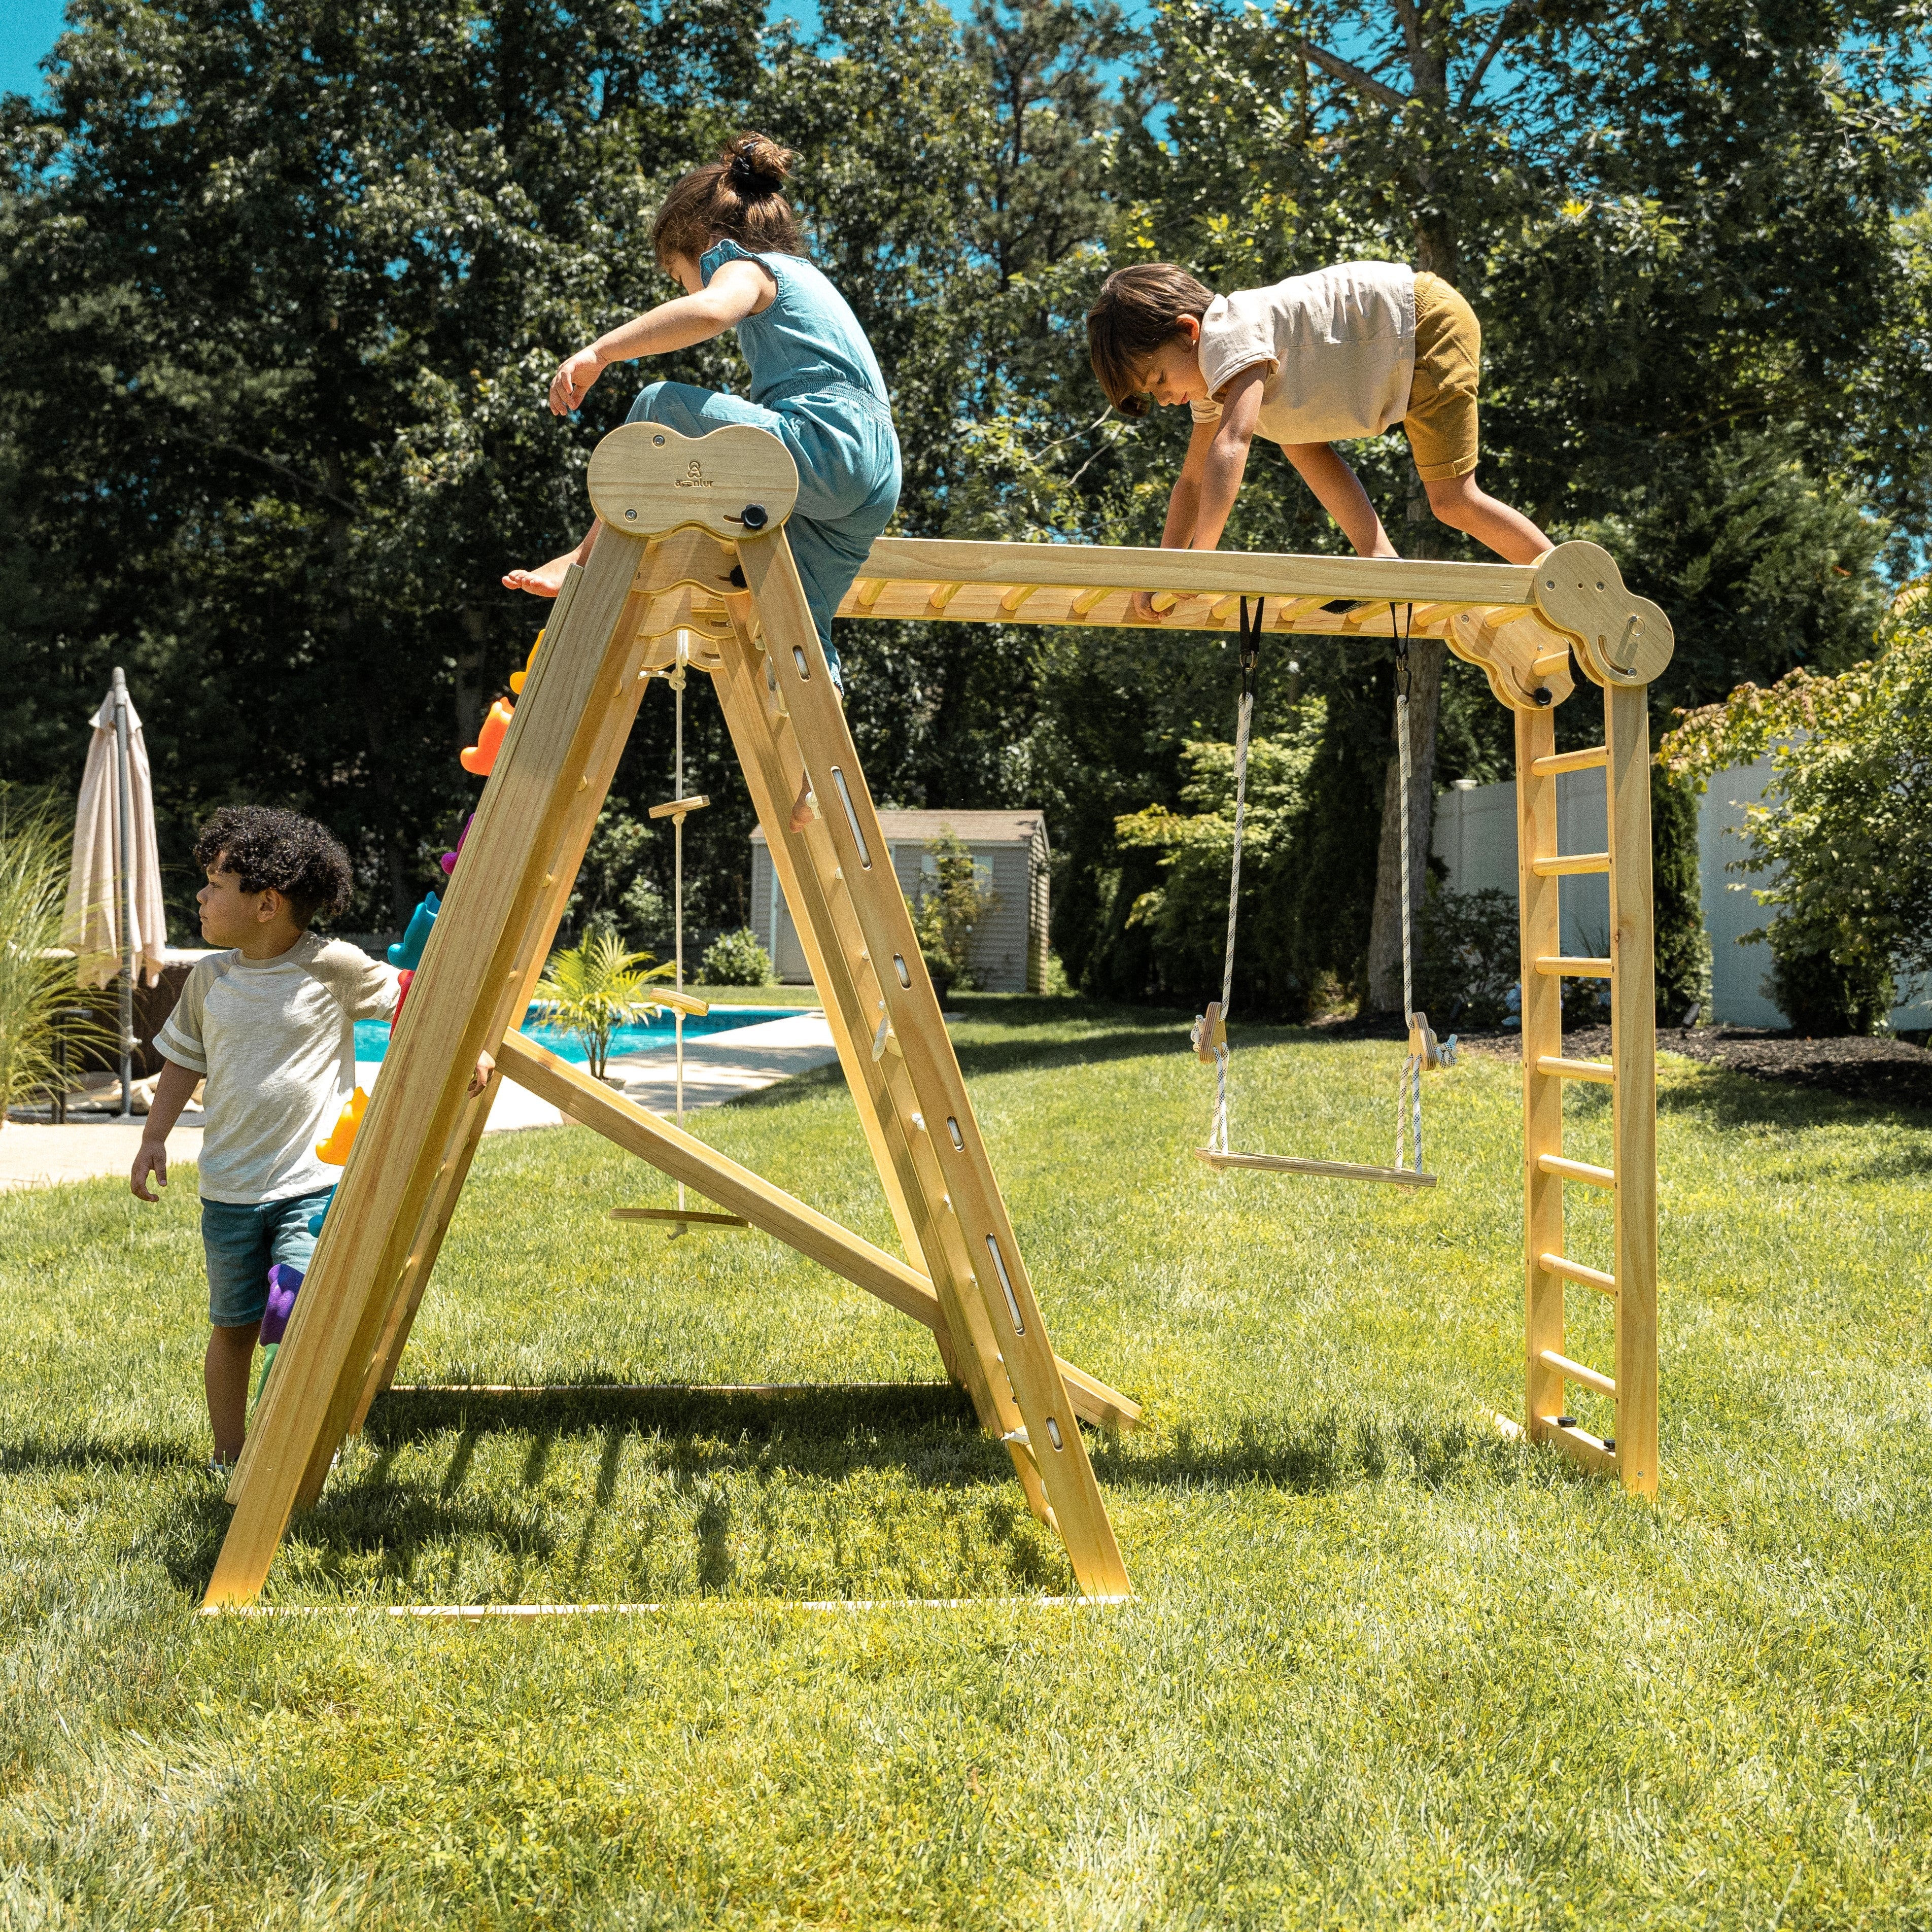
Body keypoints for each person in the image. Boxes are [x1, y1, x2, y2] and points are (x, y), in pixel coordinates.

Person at [504, 132, 901, 830]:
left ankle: (583, 557)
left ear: (704, 243)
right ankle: (821, 770)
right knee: (800, 626)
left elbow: (713, 310)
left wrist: (600, 353)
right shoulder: (814, 284)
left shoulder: (743, 262)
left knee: (661, 404)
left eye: (679, 274)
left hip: (825, 438)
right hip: (874, 473)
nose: (687, 287)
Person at [130, 807, 491, 1470]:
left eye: (215, 882)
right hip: (229, 1191)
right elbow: (184, 1059)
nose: (202, 896)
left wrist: (462, 1045)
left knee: (297, 1307)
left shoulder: (333, 966)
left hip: (309, 1183)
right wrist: (155, 1137)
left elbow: (411, 994)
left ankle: (290, 1442)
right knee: (233, 1327)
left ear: (266, 903)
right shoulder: (210, 979)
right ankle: (229, 1453)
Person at [1084, 261, 1552, 618]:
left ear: (1189, 332)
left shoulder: (1228, 331)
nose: (1165, 399)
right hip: (1391, 355)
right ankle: (1378, 556)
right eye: (1153, 393)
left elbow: (1233, 443)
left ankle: (1561, 581)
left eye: (1159, 378)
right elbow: (1190, 483)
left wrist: (1200, 559)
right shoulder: (1209, 381)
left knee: (1453, 499)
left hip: (1423, 327)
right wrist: (1162, 569)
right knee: (1295, 437)